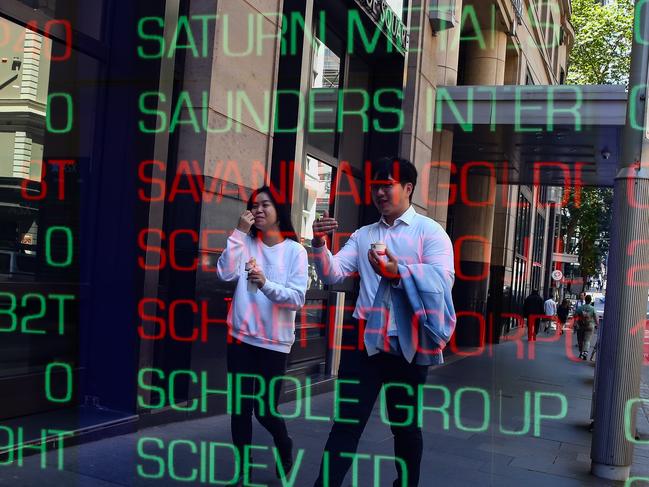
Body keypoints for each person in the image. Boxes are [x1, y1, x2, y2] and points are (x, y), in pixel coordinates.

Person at [311, 157, 456, 487]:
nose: (379, 192)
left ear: (407, 188)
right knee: (346, 423)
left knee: (404, 427)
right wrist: (319, 245)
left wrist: (398, 272)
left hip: (408, 344)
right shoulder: (364, 235)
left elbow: (442, 282)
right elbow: (333, 273)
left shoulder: (430, 232)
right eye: (375, 186)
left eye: (386, 185)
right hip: (364, 342)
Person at [216, 186, 308, 482]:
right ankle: (243, 470)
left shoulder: (295, 251)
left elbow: (297, 298)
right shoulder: (245, 242)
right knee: (240, 410)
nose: (258, 210)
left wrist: (266, 284)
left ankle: (284, 444)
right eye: (253, 206)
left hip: (275, 344)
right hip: (241, 339)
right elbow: (225, 274)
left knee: (266, 411)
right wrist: (238, 233)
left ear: (278, 209)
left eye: (265, 205)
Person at [575, 295, 596, 360]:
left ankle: (581, 352)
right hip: (589, 326)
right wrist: (597, 324)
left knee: (580, 340)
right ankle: (585, 353)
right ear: (590, 301)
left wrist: (575, 324)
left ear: (585, 300)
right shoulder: (592, 308)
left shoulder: (580, 308)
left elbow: (575, 316)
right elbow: (595, 318)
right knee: (587, 340)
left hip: (581, 326)